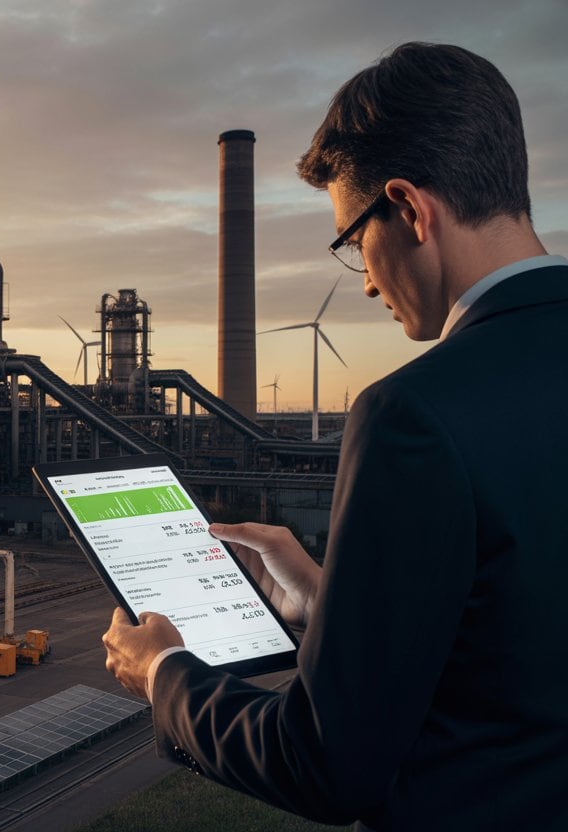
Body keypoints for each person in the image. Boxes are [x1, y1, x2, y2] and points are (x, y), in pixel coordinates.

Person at [102, 42, 568, 830]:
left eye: (354, 240)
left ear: (410, 209)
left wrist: (164, 673)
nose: (365, 279)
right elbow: (518, 635)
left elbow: (326, 762)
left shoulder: (412, 415)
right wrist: (332, 602)